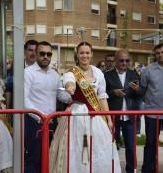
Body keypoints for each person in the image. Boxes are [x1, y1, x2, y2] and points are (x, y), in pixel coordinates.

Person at [49, 41, 121, 173]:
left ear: (91, 54)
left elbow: (102, 97)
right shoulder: (71, 72)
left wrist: (109, 119)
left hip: (97, 117)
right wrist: (70, 87)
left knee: (99, 148)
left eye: (87, 53)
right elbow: (69, 82)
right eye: (81, 53)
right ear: (77, 54)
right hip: (77, 115)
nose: (84, 55)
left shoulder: (98, 72)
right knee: (77, 148)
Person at [24, 41, 71, 173]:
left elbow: (60, 95)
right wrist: (41, 117)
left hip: (51, 123)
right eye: (42, 53)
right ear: (36, 54)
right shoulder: (27, 73)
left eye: (49, 54)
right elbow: (24, 100)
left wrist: (75, 97)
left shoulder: (55, 75)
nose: (46, 56)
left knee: (50, 157)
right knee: (33, 159)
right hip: (34, 123)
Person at [104, 49, 140, 173]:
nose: (124, 63)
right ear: (115, 60)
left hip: (129, 116)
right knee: (110, 145)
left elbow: (140, 95)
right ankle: (110, 169)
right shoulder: (107, 75)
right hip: (113, 117)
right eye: (121, 60)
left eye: (127, 60)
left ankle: (130, 170)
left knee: (130, 147)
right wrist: (113, 93)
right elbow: (102, 95)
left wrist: (137, 90)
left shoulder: (134, 74)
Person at [141, 43, 163, 173]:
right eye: (158, 53)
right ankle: (148, 169)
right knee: (150, 143)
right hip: (152, 112)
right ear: (154, 55)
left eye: (162, 52)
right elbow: (142, 89)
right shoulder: (148, 70)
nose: (160, 55)